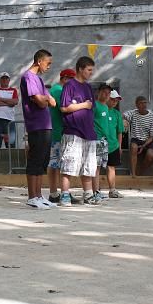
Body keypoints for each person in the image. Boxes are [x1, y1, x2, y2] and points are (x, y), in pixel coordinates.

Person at [20, 50, 57, 208]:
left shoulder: (39, 80)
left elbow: (52, 102)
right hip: (36, 125)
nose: (49, 67)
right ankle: (31, 196)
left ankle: (39, 195)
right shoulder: (28, 77)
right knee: (35, 160)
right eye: (48, 63)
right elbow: (40, 101)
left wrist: (46, 98)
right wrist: (45, 99)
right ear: (39, 61)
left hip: (46, 125)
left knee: (43, 161)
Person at [59, 56, 98, 206]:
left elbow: (91, 107)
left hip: (89, 132)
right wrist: (83, 105)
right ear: (80, 69)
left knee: (88, 166)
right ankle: (64, 194)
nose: (90, 73)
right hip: (73, 131)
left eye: (91, 70)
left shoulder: (88, 87)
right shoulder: (69, 85)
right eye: (89, 70)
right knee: (69, 164)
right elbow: (64, 107)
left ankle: (88, 194)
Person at [46, 69, 78, 204]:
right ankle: (56, 193)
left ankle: (58, 192)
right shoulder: (59, 91)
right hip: (58, 132)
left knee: (58, 164)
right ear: (65, 78)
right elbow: (65, 108)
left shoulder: (56, 89)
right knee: (56, 164)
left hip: (58, 132)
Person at [124, 96, 153, 177]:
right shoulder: (133, 113)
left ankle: (141, 172)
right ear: (136, 105)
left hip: (148, 140)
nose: (143, 105)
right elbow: (124, 116)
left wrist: (144, 145)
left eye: (145, 103)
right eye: (141, 103)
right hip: (136, 139)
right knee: (133, 147)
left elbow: (152, 136)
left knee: (150, 155)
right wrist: (125, 121)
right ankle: (133, 173)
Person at [90, 84, 113, 203]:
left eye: (109, 93)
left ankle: (97, 190)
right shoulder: (94, 105)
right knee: (95, 167)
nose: (107, 95)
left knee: (99, 167)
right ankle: (94, 192)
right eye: (104, 92)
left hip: (104, 141)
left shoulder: (105, 107)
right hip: (96, 140)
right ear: (98, 92)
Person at [104, 90, 125, 198]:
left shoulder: (117, 114)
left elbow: (120, 131)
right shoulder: (99, 110)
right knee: (95, 167)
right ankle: (94, 191)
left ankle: (112, 190)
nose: (114, 102)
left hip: (113, 145)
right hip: (99, 143)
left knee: (111, 167)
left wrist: (119, 146)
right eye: (112, 99)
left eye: (116, 100)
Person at [0, 72, 19, 148]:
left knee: (11, 146)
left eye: (6, 78)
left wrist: (0, 99)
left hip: (10, 120)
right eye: (3, 78)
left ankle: (11, 160)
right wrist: (9, 103)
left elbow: (15, 101)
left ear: (9, 80)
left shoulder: (13, 90)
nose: (5, 80)